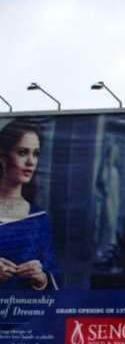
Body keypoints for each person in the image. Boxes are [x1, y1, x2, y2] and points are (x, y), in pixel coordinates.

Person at [0, 120, 60, 290]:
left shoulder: (39, 218)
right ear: (3, 157)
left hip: (25, 312)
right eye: (23, 152)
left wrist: (41, 278)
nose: (31, 162)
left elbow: (53, 274)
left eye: (36, 154)